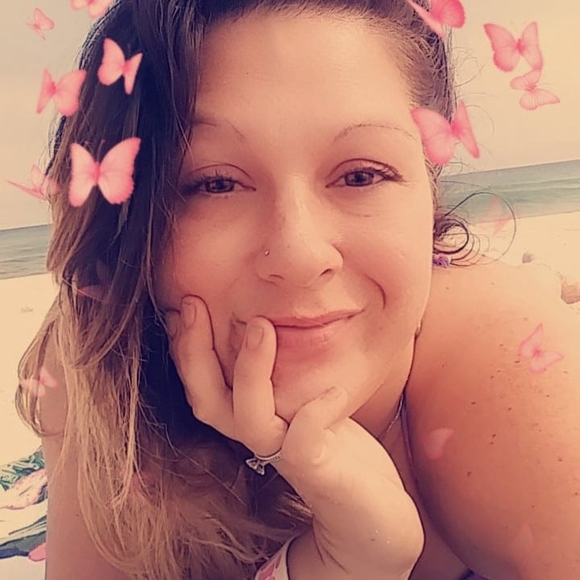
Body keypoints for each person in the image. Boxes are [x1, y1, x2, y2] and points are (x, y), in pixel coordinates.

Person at [15, 1, 580, 579]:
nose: (300, 256)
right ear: (132, 223)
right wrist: (347, 561)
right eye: (216, 184)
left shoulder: (506, 371)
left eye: (361, 175)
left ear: (427, 194)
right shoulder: (104, 356)